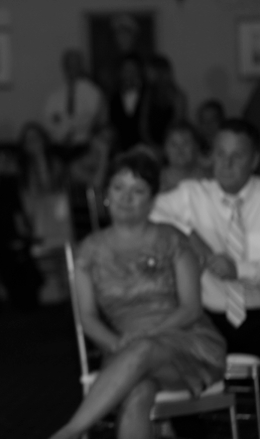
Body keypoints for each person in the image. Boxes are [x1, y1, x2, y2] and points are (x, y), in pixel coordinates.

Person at [53, 151, 226, 438]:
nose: (126, 198)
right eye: (118, 188)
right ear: (106, 193)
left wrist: (147, 337)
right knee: (137, 393)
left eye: (138, 190)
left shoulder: (171, 238)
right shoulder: (90, 250)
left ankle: (69, 432)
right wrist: (117, 344)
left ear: (152, 199)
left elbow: (191, 308)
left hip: (187, 343)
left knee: (144, 350)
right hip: (124, 348)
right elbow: (88, 316)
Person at [151, 118, 260, 394]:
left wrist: (239, 270)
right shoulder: (193, 194)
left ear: (254, 161)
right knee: (174, 365)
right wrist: (192, 237)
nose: (226, 164)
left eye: (236, 156)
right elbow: (152, 212)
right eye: (220, 154)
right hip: (211, 319)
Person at [43, 49, 107, 157]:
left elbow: (89, 118)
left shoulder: (92, 92)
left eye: (75, 64)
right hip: (59, 147)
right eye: (68, 65)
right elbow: (48, 119)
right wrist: (62, 131)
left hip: (84, 147)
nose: (71, 68)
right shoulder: (55, 95)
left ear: (81, 66)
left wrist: (66, 125)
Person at [142, 54, 188, 147]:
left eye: (149, 71)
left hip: (172, 144)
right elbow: (143, 124)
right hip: (151, 145)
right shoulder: (149, 94)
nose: (146, 74)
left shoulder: (177, 96)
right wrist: (152, 144)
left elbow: (177, 124)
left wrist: (166, 146)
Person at [108, 53, 147, 151]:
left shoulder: (148, 94)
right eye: (126, 70)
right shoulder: (114, 98)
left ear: (139, 71)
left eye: (132, 70)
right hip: (121, 151)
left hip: (145, 149)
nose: (129, 74)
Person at [159, 122, 208, 193]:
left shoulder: (206, 182)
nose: (180, 150)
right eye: (174, 144)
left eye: (185, 143)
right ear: (165, 149)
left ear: (196, 146)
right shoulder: (155, 182)